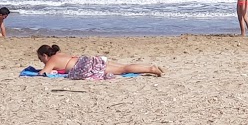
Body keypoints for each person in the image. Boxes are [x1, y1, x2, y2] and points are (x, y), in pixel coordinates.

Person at [34, 44, 162, 79]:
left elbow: (43, 73)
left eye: (41, 59)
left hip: (86, 67)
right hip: (89, 60)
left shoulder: (52, 60)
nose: (42, 62)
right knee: (123, 66)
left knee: (123, 70)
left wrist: (39, 71)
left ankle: (151, 69)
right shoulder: (60, 54)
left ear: (45, 55)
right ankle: (149, 67)